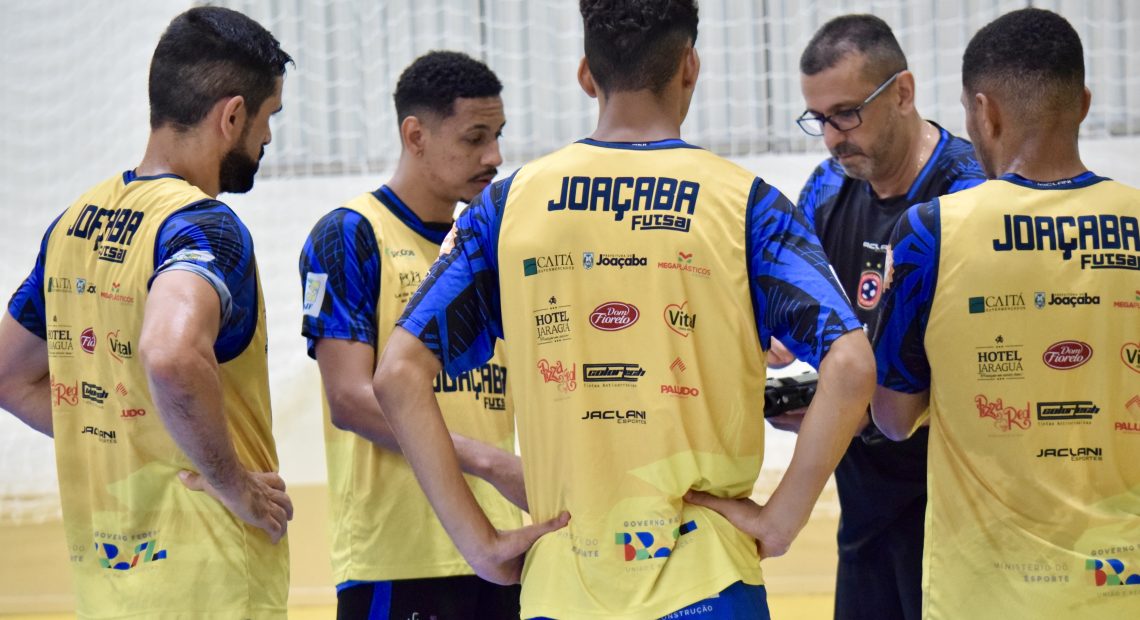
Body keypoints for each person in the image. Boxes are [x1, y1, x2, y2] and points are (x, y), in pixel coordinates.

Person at [371, 1, 875, 618]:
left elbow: (397, 374)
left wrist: (479, 545)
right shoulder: (748, 204)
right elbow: (852, 364)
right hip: (709, 580)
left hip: (563, 583)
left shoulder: (506, 208)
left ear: (587, 74)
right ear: (689, 66)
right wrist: (781, 520)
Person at [0, 7, 293, 618]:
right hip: (209, 583)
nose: (267, 138)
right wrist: (234, 484)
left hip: (106, 587)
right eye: (268, 118)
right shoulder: (204, 227)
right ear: (231, 116)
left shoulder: (73, 224)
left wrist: (132, 435)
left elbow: (8, 375)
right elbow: (170, 354)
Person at [872, 8, 1140, 618]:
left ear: (984, 113)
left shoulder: (929, 232)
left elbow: (893, 418)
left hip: (985, 593)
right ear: (1084, 104)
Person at [298, 50, 526, 620]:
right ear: (415, 135)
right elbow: (350, 400)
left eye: (498, 136)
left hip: (504, 550)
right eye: (475, 138)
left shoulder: (489, 245)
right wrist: (493, 463)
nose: (494, 156)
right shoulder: (351, 234)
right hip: (399, 562)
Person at [774, 15, 985, 620]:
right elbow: (790, 319)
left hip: (953, 507)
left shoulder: (971, 194)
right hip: (865, 501)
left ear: (902, 93)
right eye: (818, 118)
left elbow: (988, 366)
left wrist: (860, 409)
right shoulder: (825, 187)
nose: (831, 137)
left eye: (846, 113)